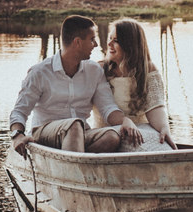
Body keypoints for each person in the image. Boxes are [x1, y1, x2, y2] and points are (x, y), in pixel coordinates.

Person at [9, 15, 144, 158]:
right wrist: (17, 136)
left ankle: (73, 164)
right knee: (74, 125)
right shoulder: (40, 72)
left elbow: (108, 108)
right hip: (44, 133)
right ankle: (74, 170)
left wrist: (125, 121)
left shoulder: (94, 71)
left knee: (112, 136)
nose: (96, 44)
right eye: (92, 39)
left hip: (81, 133)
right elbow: (19, 111)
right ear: (77, 42)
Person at [95, 18, 176, 152]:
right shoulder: (99, 69)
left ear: (130, 45)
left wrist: (164, 129)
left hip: (141, 130)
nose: (109, 44)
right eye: (110, 38)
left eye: (116, 41)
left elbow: (155, 106)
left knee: (165, 150)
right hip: (109, 134)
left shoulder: (148, 69)